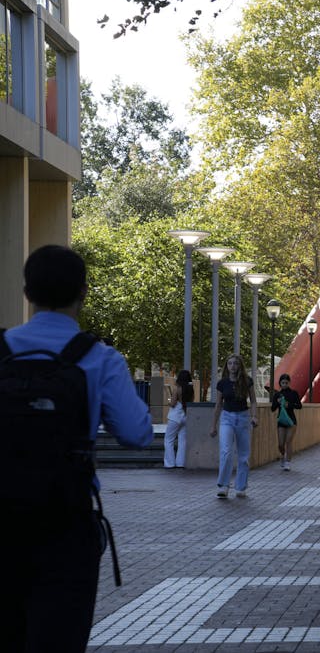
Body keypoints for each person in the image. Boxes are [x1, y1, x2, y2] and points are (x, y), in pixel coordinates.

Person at [1, 244, 152, 652]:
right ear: (83, 292)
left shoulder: (2, 350)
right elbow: (137, 433)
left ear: (27, 292)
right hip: (65, 525)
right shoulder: (99, 358)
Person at [211, 354, 258, 499]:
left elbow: (253, 401)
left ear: (240, 366)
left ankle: (240, 487)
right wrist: (213, 425)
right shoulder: (222, 383)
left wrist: (254, 416)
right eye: (230, 363)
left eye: (235, 363)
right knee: (226, 452)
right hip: (227, 418)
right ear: (227, 366)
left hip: (243, 418)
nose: (233, 366)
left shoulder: (247, 381)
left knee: (243, 455)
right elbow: (218, 405)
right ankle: (223, 486)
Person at [271, 373, 302, 470]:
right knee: (281, 444)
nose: (284, 384)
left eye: (286, 382)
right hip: (281, 420)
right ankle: (283, 455)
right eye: (282, 383)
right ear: (280, 383)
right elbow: (272, 409)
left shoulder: (293, 393)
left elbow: (299, 406)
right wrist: (277, 402)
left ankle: (288, 462)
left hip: (291, 420)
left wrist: (289, 405)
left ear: (289, 383)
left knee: (288, 441)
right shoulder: (277, 395)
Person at [164, 369, 194, 469]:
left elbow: (173, 403)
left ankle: (170, 463)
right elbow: (191, 402)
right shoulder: (191, 389)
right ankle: (180, 463)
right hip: (185, 416)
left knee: (169, 440)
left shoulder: (177, 388)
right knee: (182, 440)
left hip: (175, 417)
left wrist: (169, 401)